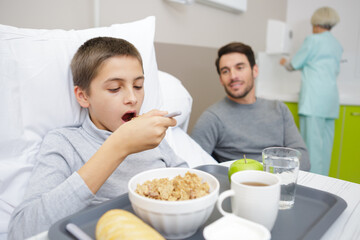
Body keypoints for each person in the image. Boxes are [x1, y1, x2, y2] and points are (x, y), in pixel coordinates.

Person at [7, 37, 188, 239]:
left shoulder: (152, 137)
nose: (133, 98)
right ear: (83, 96)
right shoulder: (64, 143)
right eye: (114, 89)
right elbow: (21, 230)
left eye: (138, 86)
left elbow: (192, 184)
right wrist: (118, 146)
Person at [191, 42, 310, 171]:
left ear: (255, 70)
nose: (233, 76)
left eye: (240, 67)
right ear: (221, 79)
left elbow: (303, 160)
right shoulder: (212, 118)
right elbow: (193, 164)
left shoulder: (279, 109)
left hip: (283, 184)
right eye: (225, 71)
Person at [279, 7, 343, 176]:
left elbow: (294, 64)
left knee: (311, 148)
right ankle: (326, 185)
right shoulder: (336, 44)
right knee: (325, 148)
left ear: (316, 23)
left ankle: (314, 185)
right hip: (330, 100)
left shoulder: (312, 40)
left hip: (314, 99)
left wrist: (285, 61)